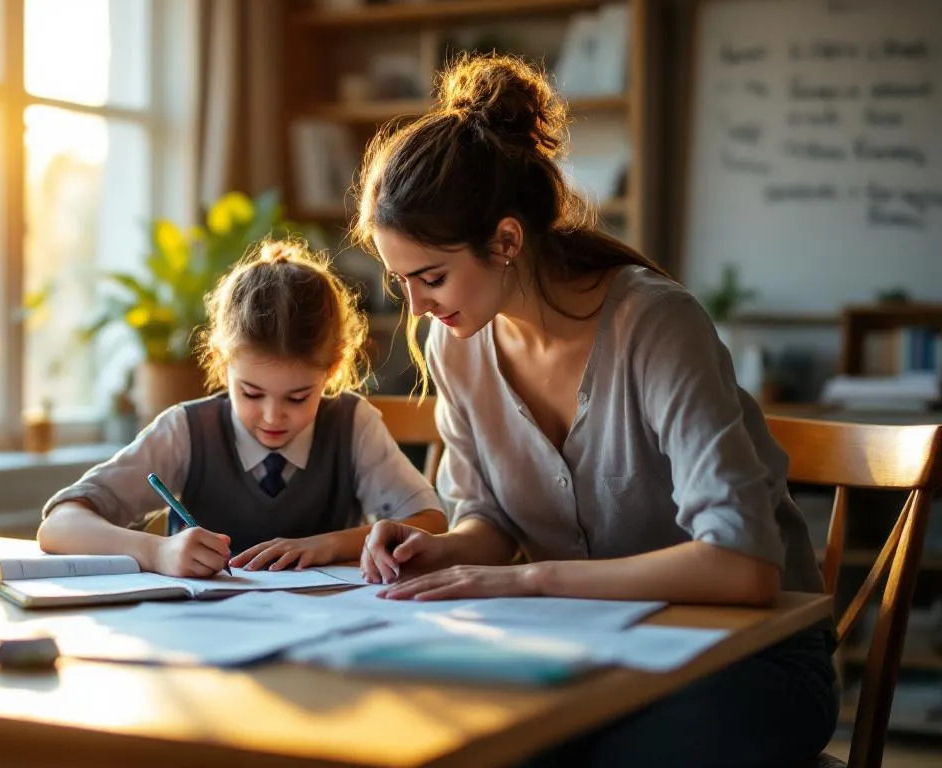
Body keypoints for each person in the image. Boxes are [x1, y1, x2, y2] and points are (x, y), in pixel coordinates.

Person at [352, 53, 837, 767]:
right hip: (587, 651)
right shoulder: (456, 345)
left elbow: (742, 567)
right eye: (402, 282)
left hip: (746, 659)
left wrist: (533, 579)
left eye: (432, 277)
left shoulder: (655, 324)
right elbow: (489, 519)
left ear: (506, 241)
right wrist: (442, 551)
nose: (417, 307)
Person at [37, 239, 447, 578]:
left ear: (334, 368)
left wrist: (328, 545)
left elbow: (431, 522)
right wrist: (155, 551)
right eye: (251, 393)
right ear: (221, 361)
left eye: (298, 397)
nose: (272, 416)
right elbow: (59, 525)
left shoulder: (352, 426)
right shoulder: (187, 431)